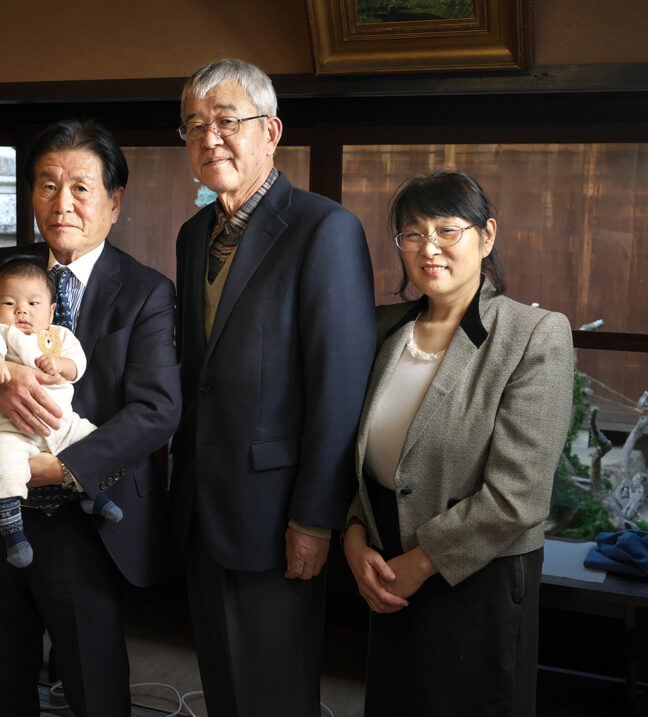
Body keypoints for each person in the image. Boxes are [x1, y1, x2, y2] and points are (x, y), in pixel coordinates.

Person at [0, 118, 181, 717]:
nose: (61, 202)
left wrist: (64, 468)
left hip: (86, 517)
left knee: (95, 687)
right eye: (47, 185)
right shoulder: (4, 266)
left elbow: (157, 409)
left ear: (114, 202)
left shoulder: (146, 291)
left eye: (80, 187)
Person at [170, 58, 377, 716]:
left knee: (275, 694)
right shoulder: (193, 236)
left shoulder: (324, 229)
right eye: (194, 125)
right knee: (223, 690)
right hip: (201, 505)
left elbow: (340, 388)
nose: (209, 138)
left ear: (271, 131)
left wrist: (314, 517)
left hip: (277, 511)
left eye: (227, 121)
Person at [343, 169, 573, 716]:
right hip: (386, 565)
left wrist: (421, 563)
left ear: (486, 236)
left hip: (479, 575)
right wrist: (354, 536)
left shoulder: (533, 335)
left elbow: (520, 494)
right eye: (413, 234)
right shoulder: (382, 328)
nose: (429, 248)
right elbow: (357, 455)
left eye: (448, 230)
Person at [0, 256, 122, 568]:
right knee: (2, 460)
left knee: (91, 440)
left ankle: (94, 495)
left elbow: (77, 365)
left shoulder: (60, 336)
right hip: (9, 425)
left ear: (51, 311)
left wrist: (60, 364)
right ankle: (13, 534)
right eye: (9, 303)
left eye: (33, 303)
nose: (21, 311)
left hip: (60, 422)